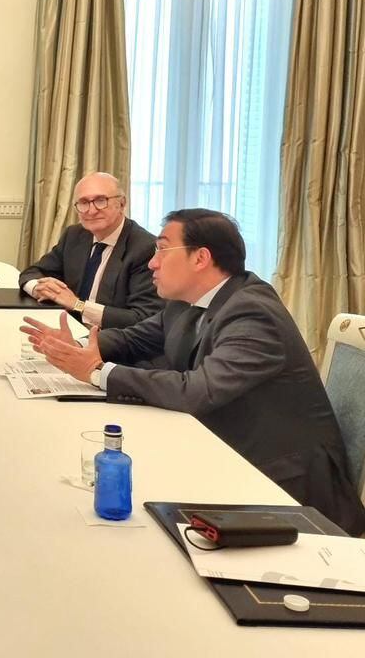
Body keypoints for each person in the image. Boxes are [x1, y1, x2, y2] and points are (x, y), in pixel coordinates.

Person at [22, 208, 365, 536]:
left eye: (161, 250)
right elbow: (135, 339)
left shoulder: (252, 313)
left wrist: (96, 371)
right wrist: (82, 348)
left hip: (283, 482)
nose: (152, 262)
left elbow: (197, 391)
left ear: (200, 258)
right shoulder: (189, 301)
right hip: (225, 446)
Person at [17, 171, 161, 328]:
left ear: (122, 203)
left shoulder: (144, 248)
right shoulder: (74, 235)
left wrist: (78, 305)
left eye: (101, 200)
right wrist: (38, 288)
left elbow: (143, 318)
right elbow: (31, 273)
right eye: (84, 202)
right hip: (68, 326)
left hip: (111, 340)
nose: (91, 211)